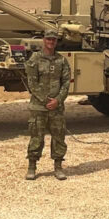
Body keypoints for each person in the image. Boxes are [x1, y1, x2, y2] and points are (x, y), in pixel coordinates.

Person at [24, 28, 71, 181]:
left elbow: (66, 83)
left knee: (59, 137)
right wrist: (46, 101)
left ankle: (58, 167)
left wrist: (58, 100)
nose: (51, 42)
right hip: (39, 106)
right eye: (48, 39)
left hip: (56, 106)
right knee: (36, 137)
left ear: (56, 42)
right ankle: (32, 167)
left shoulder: (62, 61)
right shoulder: (35, 59)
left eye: (54, 39)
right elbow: (32, 83)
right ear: (44, 40)